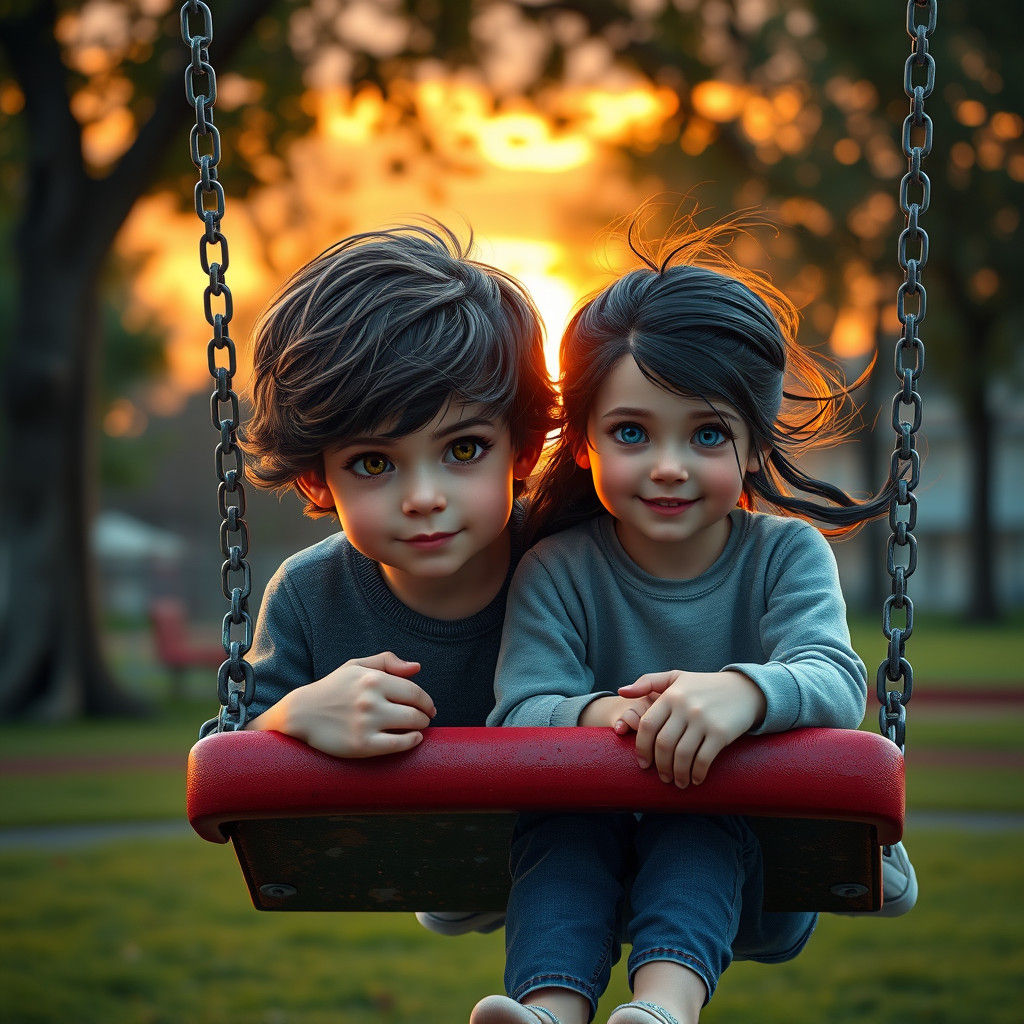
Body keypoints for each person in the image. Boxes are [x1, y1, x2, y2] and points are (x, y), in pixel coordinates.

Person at [471, 218, 917, 1024]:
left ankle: (664, 1011)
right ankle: (548, 1014)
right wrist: (614, 715)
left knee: (696, 810)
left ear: (752, 446)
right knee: (563, 836)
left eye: (706, 433)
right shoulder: (558, 567)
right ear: (582, 445)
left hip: (751, 864)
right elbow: (521, 710)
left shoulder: (784, 555)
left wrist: (739, 696)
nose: (669, 466)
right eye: (632, 433)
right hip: (590, 833)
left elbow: (834, 676)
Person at [201, 224, 553, 940]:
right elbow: (224, 771)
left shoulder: (570, 558)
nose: (423, 496)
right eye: (372, 462)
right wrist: (291, 719)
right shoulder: (309, 594)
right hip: (446, 871)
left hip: (595, 845)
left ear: (520, 449)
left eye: (463, 449)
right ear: (315, 478)